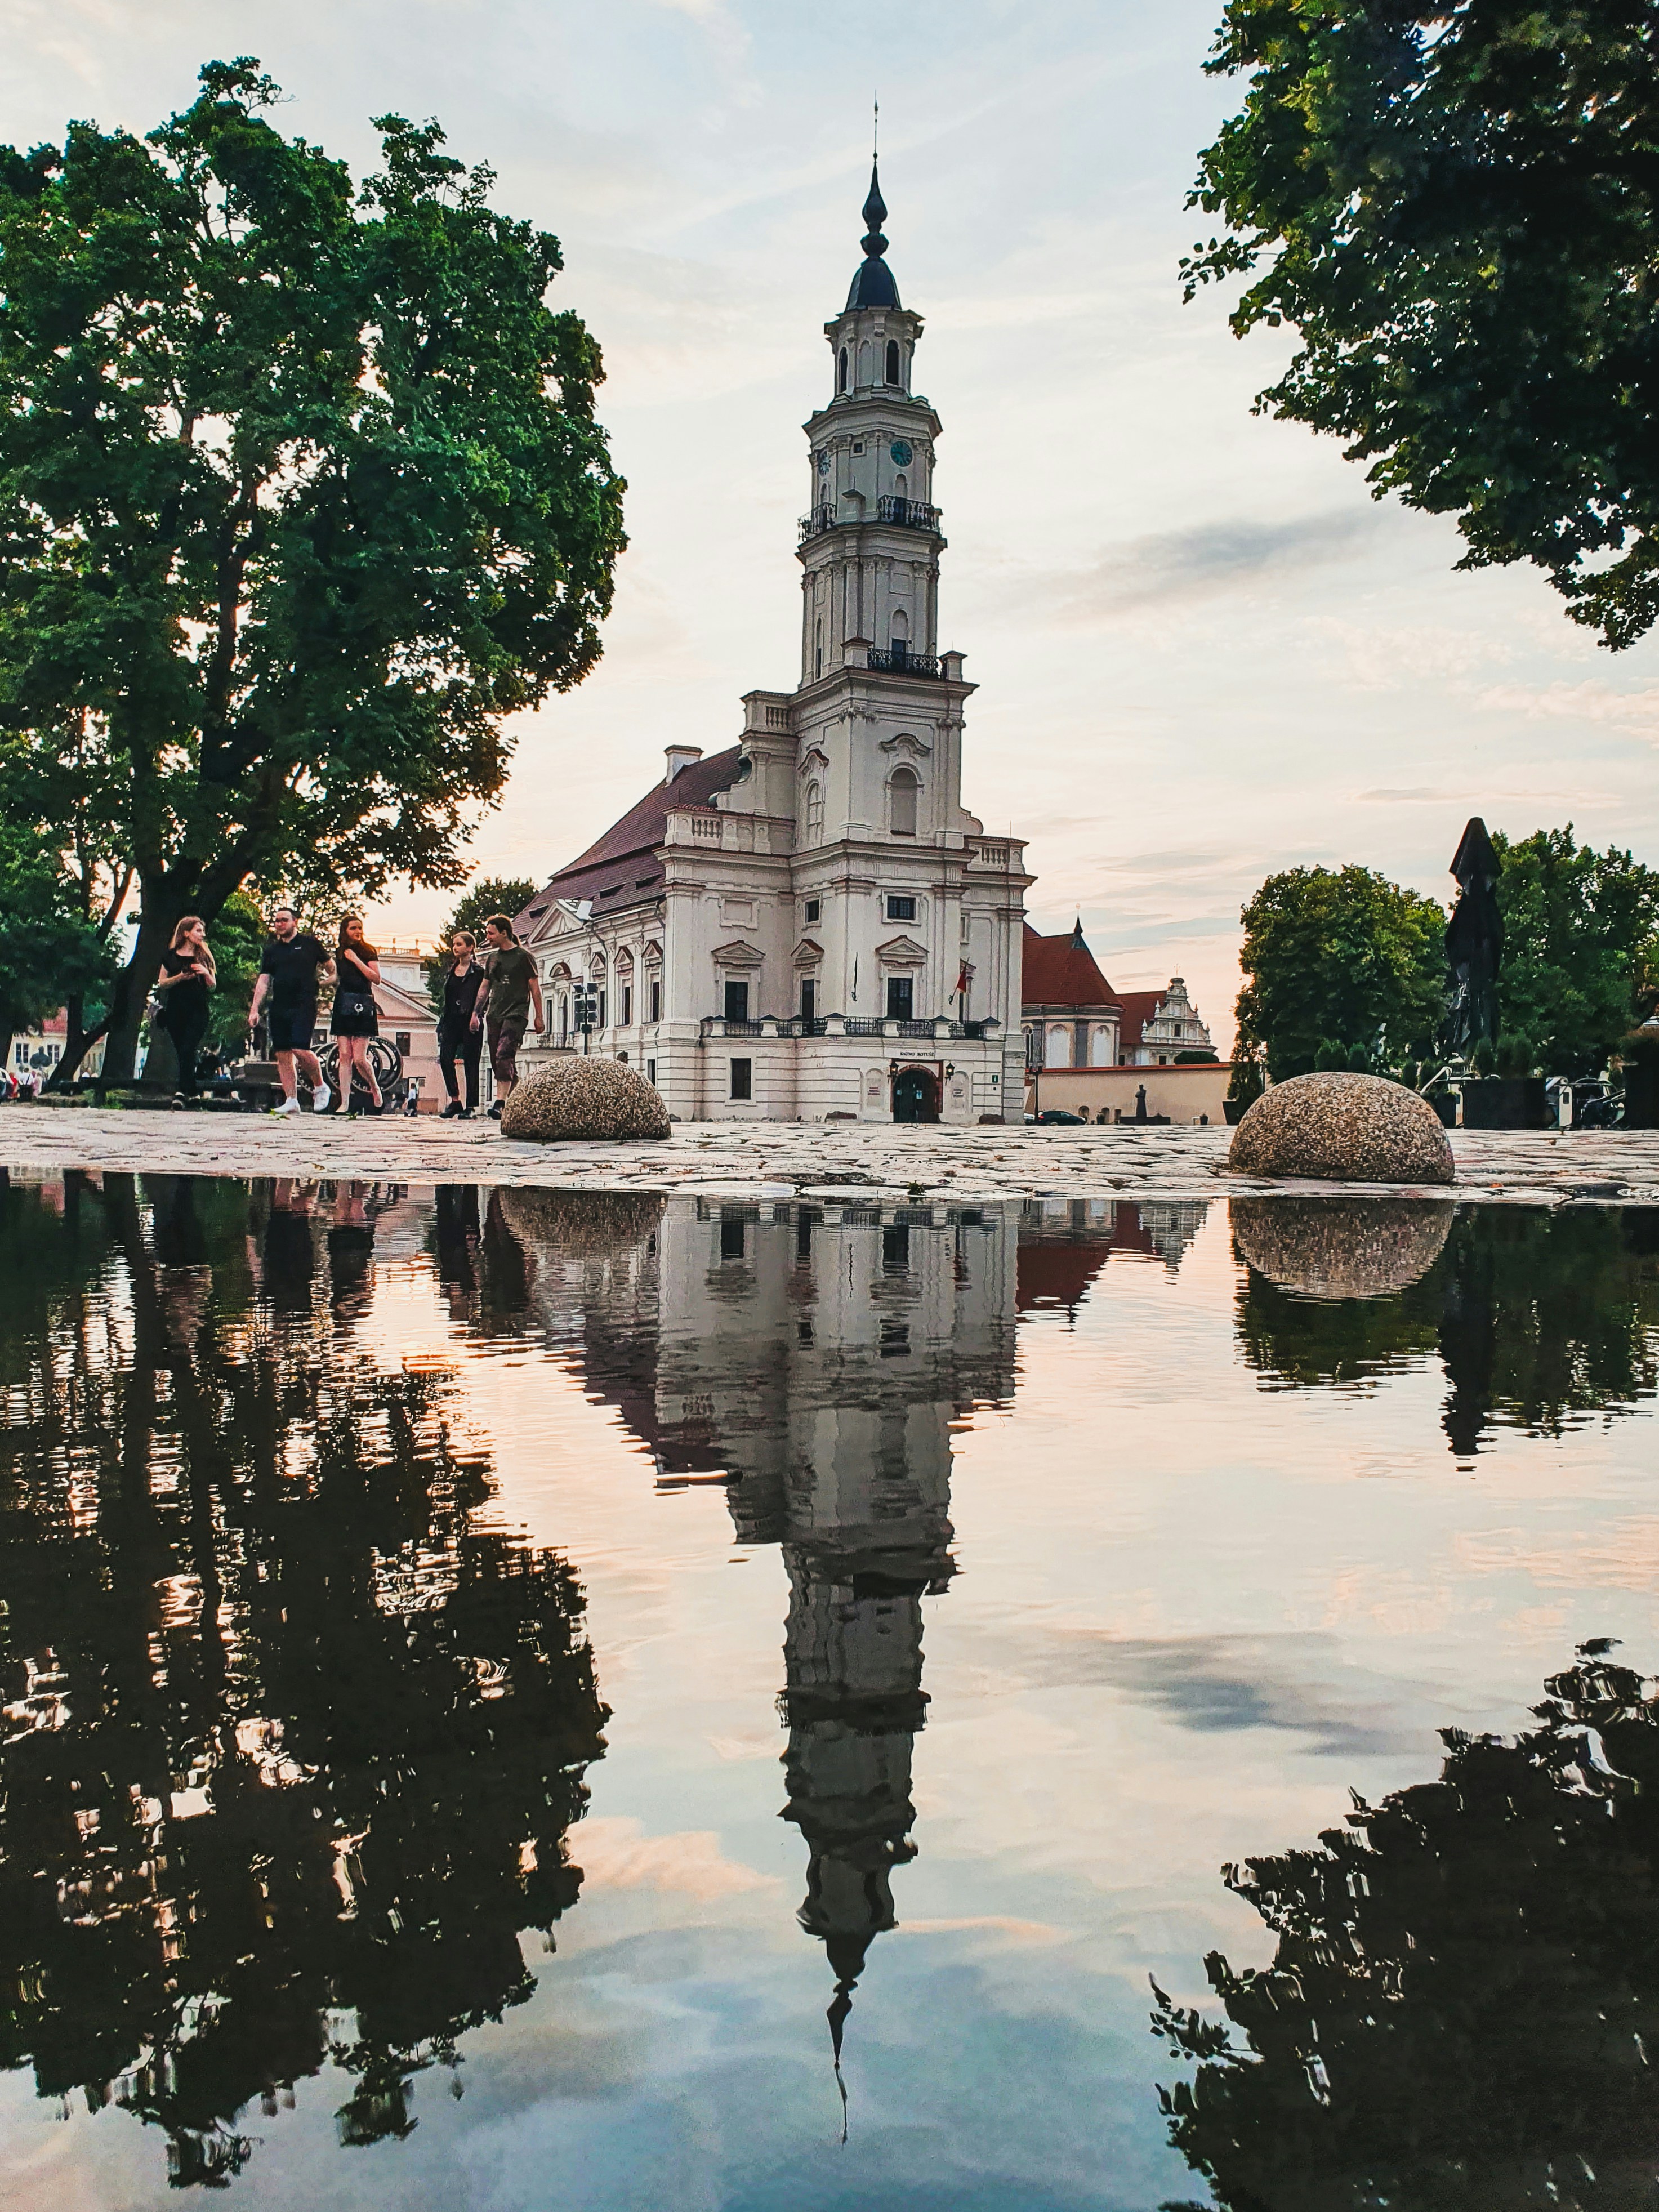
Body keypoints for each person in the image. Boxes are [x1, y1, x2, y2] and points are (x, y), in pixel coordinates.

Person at [248, 907, 334, 1118]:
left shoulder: (310, 944)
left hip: (304, 1004)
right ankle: (291, 1100)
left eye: (284, 920)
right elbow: (264, 980)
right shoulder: (272, 951)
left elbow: (333, 970)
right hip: (279, 1005)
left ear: (295, 922)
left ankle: (321, 1086)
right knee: (283, 1054)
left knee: (300, 1048)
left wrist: (322, 984)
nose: (279, 924)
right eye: (277, 921)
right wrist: (255, 1009)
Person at [477, 915, 543, 1121]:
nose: (488, 937)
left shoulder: (524, 957)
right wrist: (475, 1012)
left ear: (504, 933)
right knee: (498, 1060)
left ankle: (500, 1103)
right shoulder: (492, 959)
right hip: (494, 1013)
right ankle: (520, 1094)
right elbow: (485, 987)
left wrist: (539, 1017)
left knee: (505, 1053)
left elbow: (535, 989)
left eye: (491, 933)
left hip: (516, 1013)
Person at [154, 916, 216, 1099]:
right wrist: (180, 977)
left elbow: (213, 985)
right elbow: (162, 983)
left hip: (198, 1010)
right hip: (175, 1010)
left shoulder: (203, 956)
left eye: (203, 931)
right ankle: (192, 1092)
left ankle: (182, 1092)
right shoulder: (170, 957)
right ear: (186, 933)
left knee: (189, 1047)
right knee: (183, 1051)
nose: (202, 935)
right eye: (199, 931)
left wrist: (204, 972)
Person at [331, 915, 385, 1115]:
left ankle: (374, 1087)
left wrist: (355, 960)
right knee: (344, 1055)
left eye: (360, 928)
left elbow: (376, 978)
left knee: (360, 1058)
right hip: (343, 1001)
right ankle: (344, 1102)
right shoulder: (340, 951)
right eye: (354, 928)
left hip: (362, 1002)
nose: (358, 932)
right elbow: (338, 976)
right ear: (345, 930)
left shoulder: (367, 950)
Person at [436, 930, 487, 1118]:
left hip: (470, 1019)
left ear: (470, 947)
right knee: (445, 1058)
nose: (455, 948)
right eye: (454, 944)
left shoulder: (478, 972)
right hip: (451, 1020)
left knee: (471, 1063)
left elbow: (484, 996)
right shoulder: (452, 970)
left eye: (459, 944)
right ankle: (455, 1100)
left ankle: (471, 1106)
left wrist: (477, 1015)